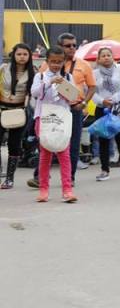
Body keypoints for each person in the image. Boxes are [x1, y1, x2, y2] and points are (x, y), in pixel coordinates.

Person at [27, 32, 96, 188]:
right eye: (68, 45)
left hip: (74, 108)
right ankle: (39, 177)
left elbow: (92, 87)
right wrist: (51, 82)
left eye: (74, 45)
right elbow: (38, 90)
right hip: (50, 110)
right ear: (59, 46)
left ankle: (69, 178)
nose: (72, 48)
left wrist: (84, 102)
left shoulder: (83, 65)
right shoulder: (47, 66)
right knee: (46, 142)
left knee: (71, 145)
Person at [30, 46, 77, 203]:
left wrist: (64, 86)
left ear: (64, 61)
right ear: (47, 61)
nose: (56, 65)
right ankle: (44, 189)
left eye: (59, 62)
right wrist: (49, 82)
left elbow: (74, 97)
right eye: (53, 62)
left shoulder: (68, 77)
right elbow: (35, 93)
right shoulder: (40, 76)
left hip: (62, 118)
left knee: (64, 154)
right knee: (45, 154)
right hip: (43, 118)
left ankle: (67, 189)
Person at [92, 47, 120, 180]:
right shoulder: (94, 73)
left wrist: (114, 99)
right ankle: (105, 169)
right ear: (98, 59)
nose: (106, 57)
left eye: (108, 55)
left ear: (113, 57)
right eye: (103, 55)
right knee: (103, 139)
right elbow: (91, 90)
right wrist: (101, 101)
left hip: (119, 107)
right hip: (102, 108)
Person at [0, 43, 35, 189]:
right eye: (19, 54)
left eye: (25, 54)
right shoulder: (3, 68)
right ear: (13, 55)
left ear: (29, 56)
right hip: (1, 109)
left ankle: (9, 178)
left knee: (14, 145)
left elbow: (35, 93)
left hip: (20, 111)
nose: (22, 57)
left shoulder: (34, 72)